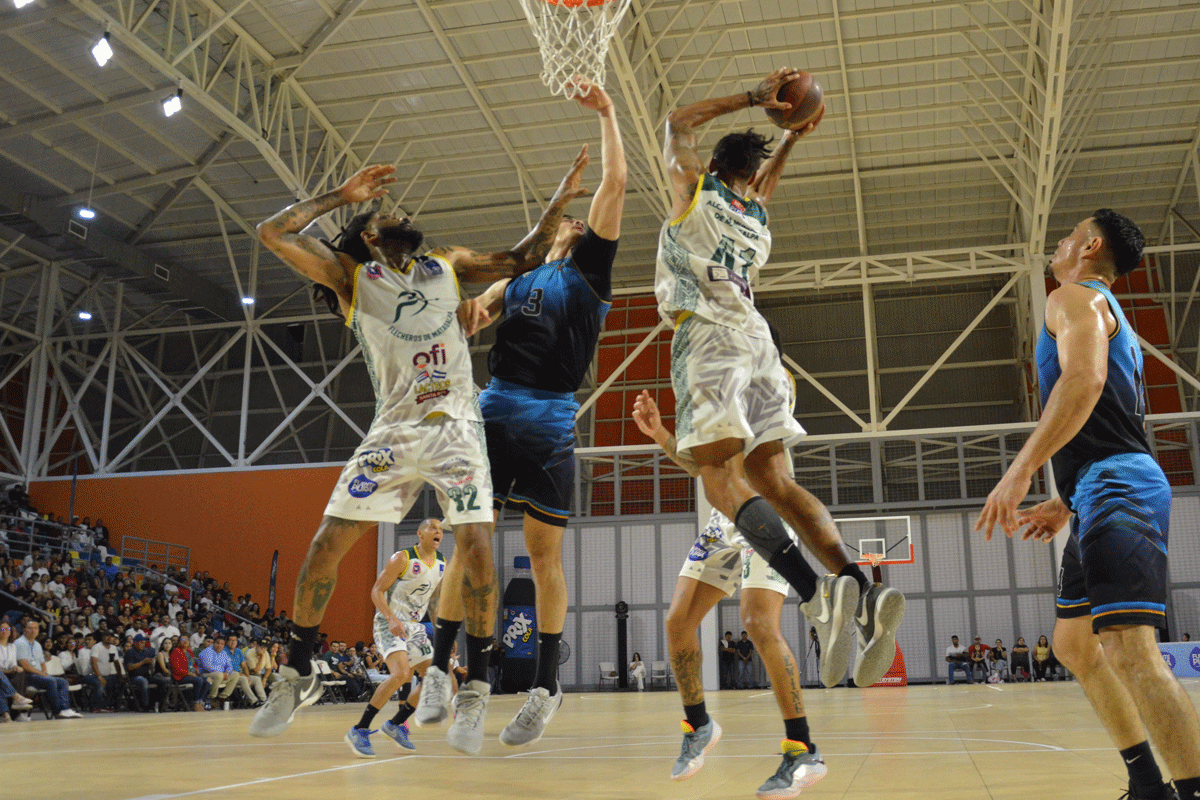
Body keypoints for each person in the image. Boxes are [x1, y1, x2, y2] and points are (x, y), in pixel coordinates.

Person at [250, 145, 589, 754]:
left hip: (456, 424)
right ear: (369, 235)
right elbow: (271, 231)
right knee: (326, 544)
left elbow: (523, 255)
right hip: (395, 431)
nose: (403, 213)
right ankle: (296, 672)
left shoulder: (445, 263)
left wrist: (559, 197)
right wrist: (339, 197)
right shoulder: (353, 279)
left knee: (478, 546)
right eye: (390, 213)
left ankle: (477, 689)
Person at [655, 66, 904, 700]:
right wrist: (791, 134)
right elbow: (764, 184)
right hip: (762, 343)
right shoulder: (754, 213)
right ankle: (863, 591)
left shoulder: (694, 191)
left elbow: (675, 123)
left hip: (708, 336)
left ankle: (817, 595)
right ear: (749, 173)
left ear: (712, 165)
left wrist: (751, 99)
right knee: (776, 480)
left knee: (717, 476)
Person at [977, 209, 1200, 800]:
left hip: (1117, 485)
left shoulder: (1073, 296)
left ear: (1091, 245)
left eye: (1069, 234)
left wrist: (1021, 470)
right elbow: (1113, 420)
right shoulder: (1104, 310)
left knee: (1131, 648)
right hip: (1098, 487)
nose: (1059, 241)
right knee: (1076, 644)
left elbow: (1084, 383)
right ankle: (1147, 783)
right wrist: (1062, 499)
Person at [458, 79, 626, 749]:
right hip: (493, 406)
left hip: (554, 414)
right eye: (570, 216)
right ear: (554, 228)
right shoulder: (516, 278)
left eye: (585, 219)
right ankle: (466, 678)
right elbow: (468, 319)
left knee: (542, 559)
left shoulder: (592, 273)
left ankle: (545, 686)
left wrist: (609, 112)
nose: (580, 219)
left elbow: (614, 183)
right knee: (470, 545)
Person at [634, 390, 826, 797]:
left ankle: (802, 748)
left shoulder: (757, 378)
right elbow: (700, 466)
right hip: (723, 525)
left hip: (767, 516)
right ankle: (699, 724)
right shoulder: (708, 388)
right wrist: (660, 433)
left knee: (758, 623)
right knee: (678, 622)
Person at [345, 518, 445, 758]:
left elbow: (433, 601)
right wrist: (390, 618)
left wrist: (441, 631)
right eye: (433, 528)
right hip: (388, 622)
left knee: (434, 678)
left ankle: (395, 724)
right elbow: (376, 591)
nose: (438, 532)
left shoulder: (442, 563)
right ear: (420, 534)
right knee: (401, 674)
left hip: (414, 626)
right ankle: (359, 729)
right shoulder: (402, 558)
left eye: (441, 529)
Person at [15, 619, 80, 718]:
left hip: (38, 675)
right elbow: (24, 665)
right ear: (25, 630)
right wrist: (42, 674)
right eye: (30, 628)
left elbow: (42, 663)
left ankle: (65, 709)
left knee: (62, 681)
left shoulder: (37, 645)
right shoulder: (19, 643)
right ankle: (57, 712)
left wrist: (44, 672)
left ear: (38, 631)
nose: (33, 630)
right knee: (51, 681)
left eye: (35, 628)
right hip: (26, 676)